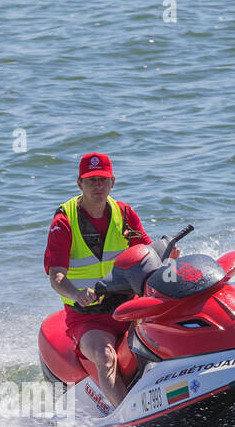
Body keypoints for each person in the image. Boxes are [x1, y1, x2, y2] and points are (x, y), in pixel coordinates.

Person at [43, 153, 153, 407]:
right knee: (106, 358)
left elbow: (147, 254)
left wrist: (168, 258)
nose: (98, 186)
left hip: (128, 307)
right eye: (91, 180)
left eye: (103, 180)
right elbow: (56, 277)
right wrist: (76, 293)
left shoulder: (125, 214)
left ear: (112, 182)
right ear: (80, 183)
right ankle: (128, 418)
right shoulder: (63, 222)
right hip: (87, 317)